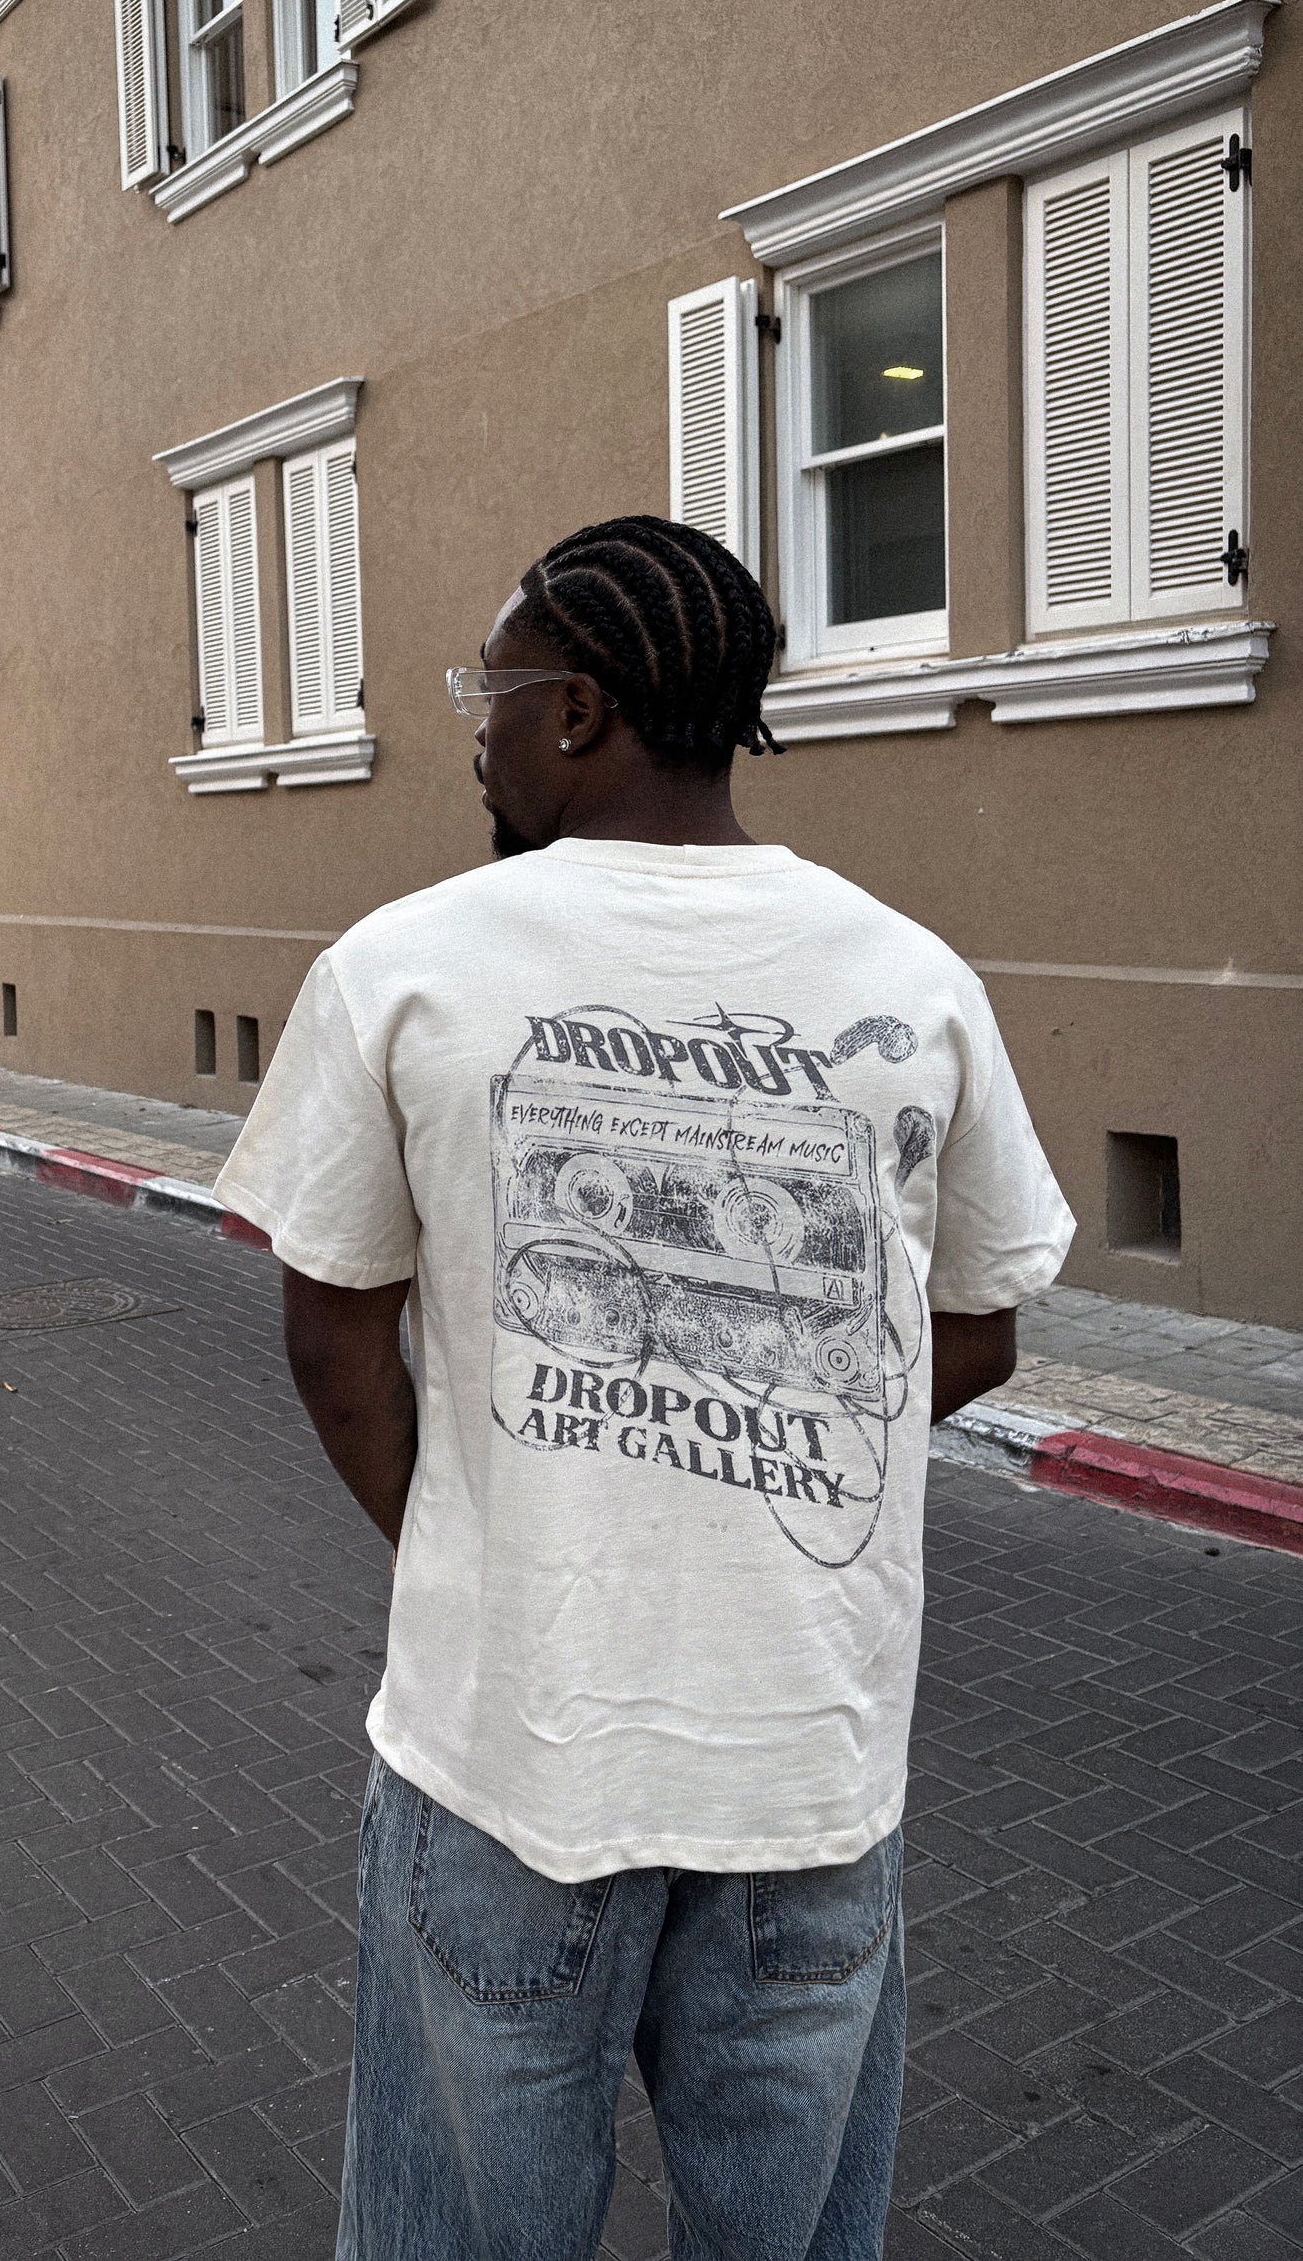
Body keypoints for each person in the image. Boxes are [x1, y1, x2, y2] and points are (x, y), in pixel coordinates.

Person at [212, 516, 1074, 2261]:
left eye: (495, 691)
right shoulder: (912, 981)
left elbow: (332, 1336)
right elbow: (976, 1325)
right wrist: (765, 1450)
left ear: (583, 711)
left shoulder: (402, 967)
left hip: (510, 1756)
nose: (475, 725)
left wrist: (505, 1525)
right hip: (804, 1778)